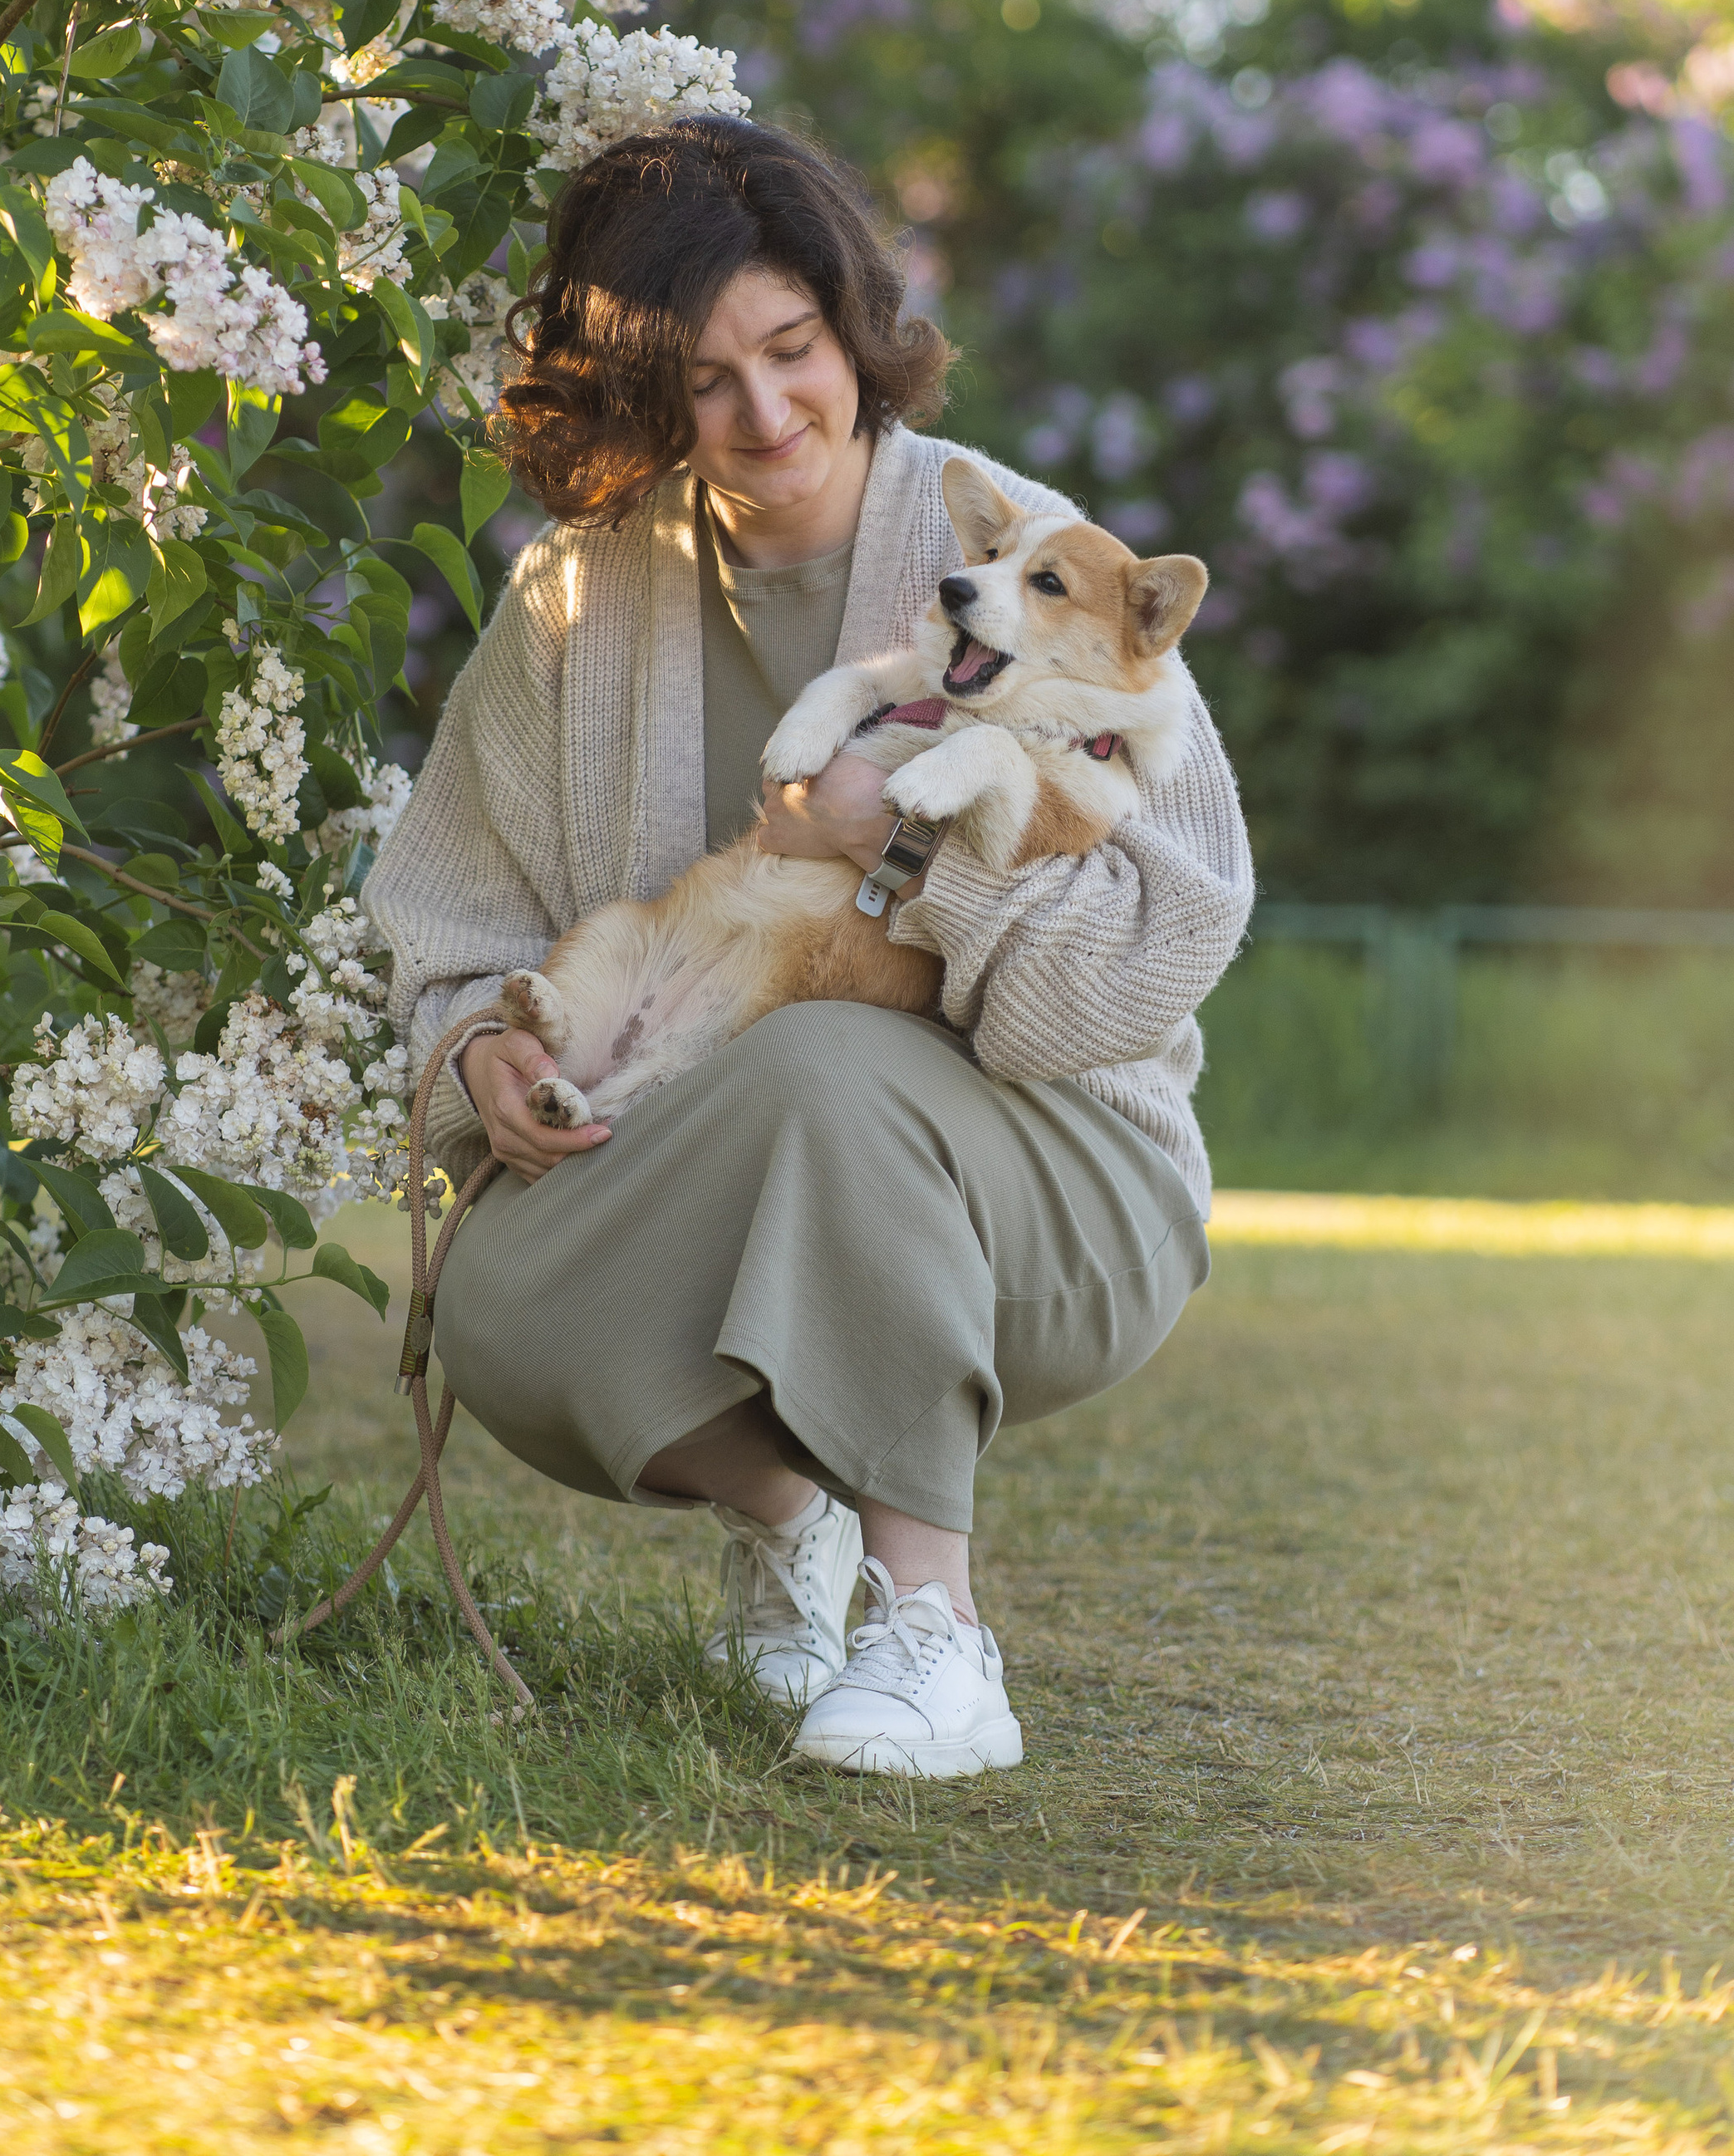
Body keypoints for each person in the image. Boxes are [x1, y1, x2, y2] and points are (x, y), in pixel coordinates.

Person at [366, 117, 1251, 1776]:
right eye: (703, 380)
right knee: (492, 1300)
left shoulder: (1030, 556)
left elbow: (1154, 952)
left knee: (833, 1059)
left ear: (854, 332)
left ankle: (935, 1638)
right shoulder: (569, 601)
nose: (765, 414)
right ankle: (790, 1513)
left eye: (792, 351)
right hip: (691, 1122)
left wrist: (899, 844)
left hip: (1048, 1178)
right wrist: (481, 1056)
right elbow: (448, 923)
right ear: (638, 393)